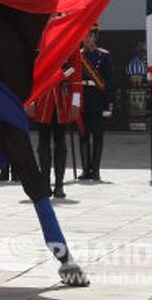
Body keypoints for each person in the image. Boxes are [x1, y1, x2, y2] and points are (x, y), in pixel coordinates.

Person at [30, 51, 82, 198]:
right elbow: (33, 73)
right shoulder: (41, 41)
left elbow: (76, 76)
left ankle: (59, 184)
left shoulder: (70, 41)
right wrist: (31, 100)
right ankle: (45, 184)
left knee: (60, 144)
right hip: (43, 99)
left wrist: (75, 103)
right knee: (43, 144)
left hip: (62, 99)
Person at [78, 23, 113, 181]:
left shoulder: (103, 55)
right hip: (82, 98)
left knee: (97, 137)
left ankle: (96, 170)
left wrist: (108, 103)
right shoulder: (77, 55)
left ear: (95, 37)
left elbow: (109, 81)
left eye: (90, 36)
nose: (87, 39)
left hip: (97, 99)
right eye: (85, 36)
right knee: (83, 136)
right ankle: (85, 169)